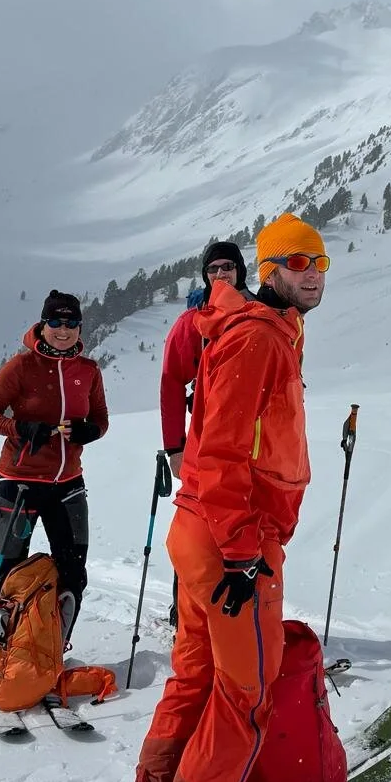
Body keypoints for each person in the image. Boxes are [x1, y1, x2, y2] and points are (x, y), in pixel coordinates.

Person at [130, 213, 330, 782]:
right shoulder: (256, 340)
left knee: (194, 680)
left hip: (200, 533)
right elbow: (218, 452)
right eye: (299, 261)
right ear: (268, 267)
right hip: (231, 545)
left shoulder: (267, 332)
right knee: (245, 697)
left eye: (321, 263)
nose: (314, 274)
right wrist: (245, 555)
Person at [0, 290, 108, 651]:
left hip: (68, 485)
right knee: (5, 571)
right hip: (18, 483)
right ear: (43, 324)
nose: (63, 330)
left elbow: (100, 420)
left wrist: (88, 432)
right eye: (55, 322)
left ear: (80, 328)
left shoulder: (88, 371)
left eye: (71, 323)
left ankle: (50, 650)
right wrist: (20, 428)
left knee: (73, 573)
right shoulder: (20, 367)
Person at [158, 240, 250, 626]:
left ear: (240, 270)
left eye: (227, 267)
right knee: (197, 524)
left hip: (248, 441)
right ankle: (187, 611)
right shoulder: (192, 322)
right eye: (213, 269)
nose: (220, 275)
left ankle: (243, 610)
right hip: (201, 443)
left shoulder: (256, 313)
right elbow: (170, 383)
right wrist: (174, 447)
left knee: (244, 521)